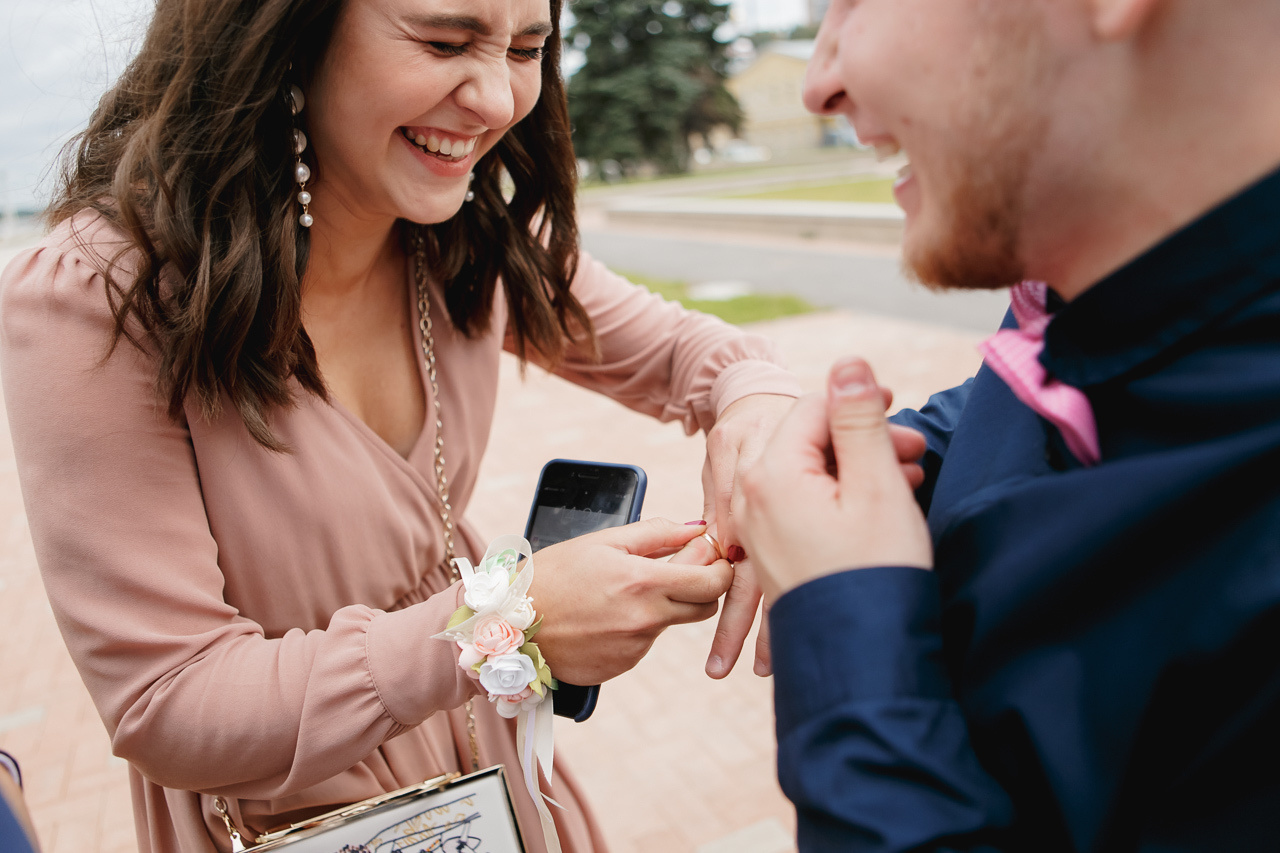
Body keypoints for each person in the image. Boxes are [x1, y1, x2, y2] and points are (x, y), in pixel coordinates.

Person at [0, 0, 802, 850]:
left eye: (527, 48)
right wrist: (504, 626)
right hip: (292, 818)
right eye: (445, 42)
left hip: (500, 786)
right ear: (284, 34)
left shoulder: (473, 236)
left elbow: (701, 356)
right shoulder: (94, 297)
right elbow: (170, 699)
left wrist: (756, 417)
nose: (496, 100)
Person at [737, 0, 1280, 850]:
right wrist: (884, 463)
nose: (819, 83)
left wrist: (849, 621)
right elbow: (1038, 392)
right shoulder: (1099, 283)